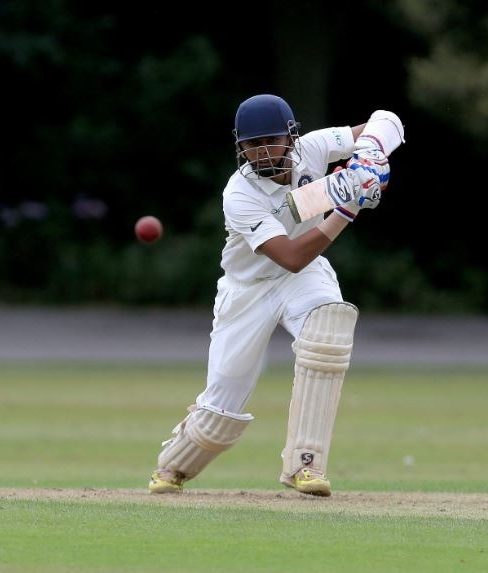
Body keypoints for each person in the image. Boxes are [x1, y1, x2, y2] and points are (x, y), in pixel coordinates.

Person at [148, 94, 405, 497]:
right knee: (222, 410)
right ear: (240, 147)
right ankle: (174, 466)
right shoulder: (239, 194)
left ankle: (305, 464)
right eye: (252, 144)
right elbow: (291, 256)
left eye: (270, 140)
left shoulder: (314, 147)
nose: (261, 151)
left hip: (304, 281)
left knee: (327, 333)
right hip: (248, 290)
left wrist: (371, 155)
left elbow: (386, 119)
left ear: (291, 136)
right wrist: (346, 208)